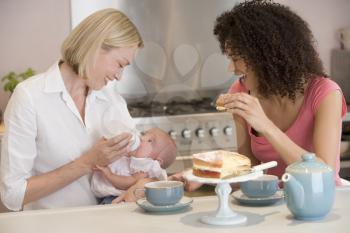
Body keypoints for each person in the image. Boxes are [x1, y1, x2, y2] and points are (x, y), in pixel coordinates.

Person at [171, 0, 347, 188]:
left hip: (319, 206)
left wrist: (265, 126)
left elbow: (324, 173)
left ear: (267, 56)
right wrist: (203, 176)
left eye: (236, 59)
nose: (232, 68)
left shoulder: (325, 94)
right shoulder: (240, 92)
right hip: (270, 204)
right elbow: (248, 170)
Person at [0, 9, 145, 211]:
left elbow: (141, 163)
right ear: (95, 47)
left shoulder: (110, 98)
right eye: (120, 64)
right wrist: (87, 162)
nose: (119, 76)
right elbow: (13, 195)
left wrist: (140, 184)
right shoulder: (30, 97)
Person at [90, 128, 177, 204]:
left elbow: (127, 183)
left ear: (157, 161)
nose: (142, 138)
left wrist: (109, 174)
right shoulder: (134, 157)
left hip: (116, 199)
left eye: (150, 141)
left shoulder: (145, 168)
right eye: (144, 134)